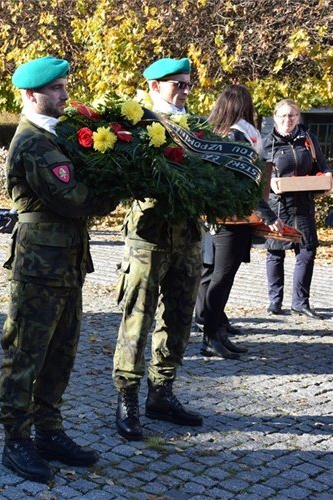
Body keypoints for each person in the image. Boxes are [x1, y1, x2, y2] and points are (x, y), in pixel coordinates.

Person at [0, 56, 117, 483]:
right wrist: (115, 188)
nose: (65, 95)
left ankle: (49, 431)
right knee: (26, 352)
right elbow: (74, 198)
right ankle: (16, 440)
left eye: (64, 86)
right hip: (39, 266)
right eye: (56, 89)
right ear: (32, 95)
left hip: (66, 262)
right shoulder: (31, 142)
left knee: (61, 352)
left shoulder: (57, 137)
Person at [113, 57, 203, 442]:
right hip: (149, 236)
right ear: (153, 86)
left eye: (186, 84)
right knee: (138, 317)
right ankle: (127, 398)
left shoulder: (196, 128)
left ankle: (162, 392)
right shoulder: (135, 125)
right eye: (175, 85)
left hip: (187, 236)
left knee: (179, 317)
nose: (183, 92)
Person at [194, 84, 284, 359]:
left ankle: (218, 330)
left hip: (227, 217)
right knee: (221, 277)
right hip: (231, 218)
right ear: (243, 106)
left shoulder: (224, 133)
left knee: (219, 276)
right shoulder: (237, 135)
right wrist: (268, 216)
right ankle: (211, 336)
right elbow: (244, 182)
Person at [262, 99, 332, 319]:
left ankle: (300, 303)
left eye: (292, 115)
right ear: (275, 117)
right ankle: (275, 301)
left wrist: (327, 175)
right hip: (278, 205)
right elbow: (258, 175)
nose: (288, 120)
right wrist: (270, 181)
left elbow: (322, 164)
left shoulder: (308, 140)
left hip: (303, 205)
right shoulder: (266, 143)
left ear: (298, 117)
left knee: (307, 250)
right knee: (275, 252)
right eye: (283, 116)